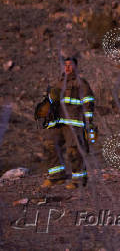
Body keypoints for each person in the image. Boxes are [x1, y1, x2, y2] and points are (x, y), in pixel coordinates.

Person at [41, 55, 94, 189]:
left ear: (76, 67)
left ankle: (79, 181)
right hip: (58, 123)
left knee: (73, 151)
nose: (67, 67)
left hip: (74, 123)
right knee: (49, 145)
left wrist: (89, 122)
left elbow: (88, 102)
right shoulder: (58, 84)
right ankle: (56, 176)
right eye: (65, 65)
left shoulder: (81, 83)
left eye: (70, 65)